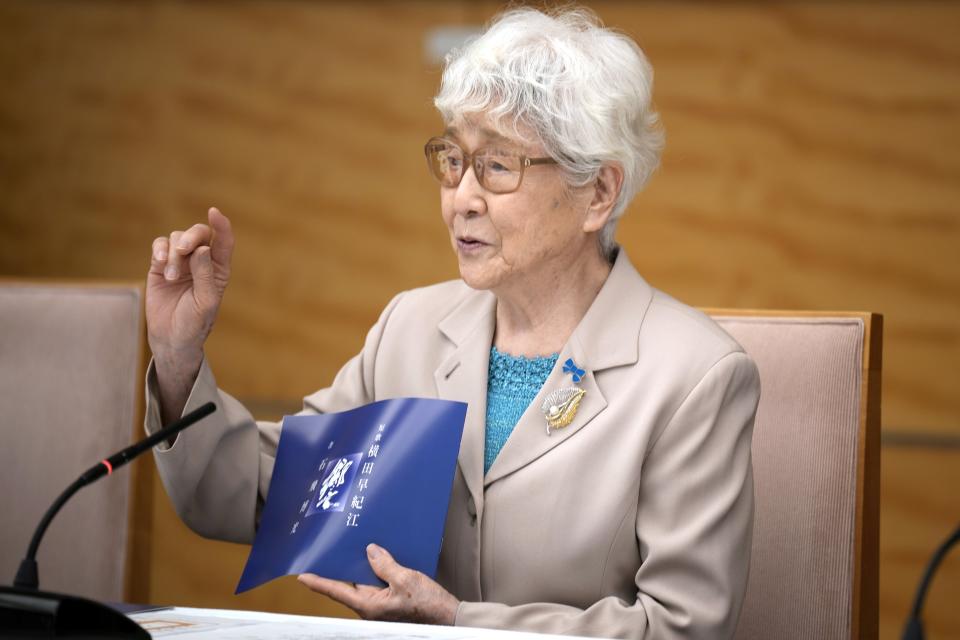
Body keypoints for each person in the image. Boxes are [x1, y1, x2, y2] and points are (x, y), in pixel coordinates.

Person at [144, 7, 760, 640]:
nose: (461, 197)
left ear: (597, 193)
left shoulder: (694, 376)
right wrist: (178, 357)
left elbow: (683, 628)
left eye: (497, 166)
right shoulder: (411, 325)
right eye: (452, 160)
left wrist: (459, 622)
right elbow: (274, 496)